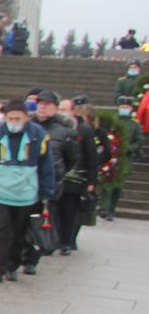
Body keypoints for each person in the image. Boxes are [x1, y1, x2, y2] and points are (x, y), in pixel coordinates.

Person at [0, 100, 55, 283]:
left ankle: (12, 265)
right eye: (10, 118)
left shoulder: (38, 135)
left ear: (26, 118)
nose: (14, 122)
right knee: (0, 230)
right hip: (1, 191)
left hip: (26, 192)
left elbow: (46, 165)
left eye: (18, 118)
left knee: (19, 231)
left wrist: (47, 190)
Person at [31, 89, 80, 271]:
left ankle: (40, 249)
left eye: (47, 104)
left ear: (55, 107)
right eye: (40, 103)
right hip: (26, 180)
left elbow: (72, 158)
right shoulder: (28, 126)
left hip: (50, 182)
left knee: (44, 217)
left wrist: (58, 172)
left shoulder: (64, 132)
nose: (42, 107)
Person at [56, 97, 99, 253]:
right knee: (54, 210)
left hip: (74, 178)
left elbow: (91, 157)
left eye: (64, 110)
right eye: (59, 109)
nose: (61, 113)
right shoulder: (54, 128)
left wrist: (91, 180)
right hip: (56, 177)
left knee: (68, 211)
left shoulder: (83, 130)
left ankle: (66, 242)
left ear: (73, 111)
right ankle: (54, 238)